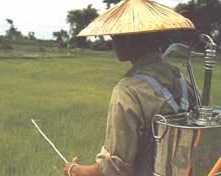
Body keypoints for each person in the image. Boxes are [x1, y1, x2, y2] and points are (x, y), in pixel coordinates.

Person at [62, 0, 196, 176]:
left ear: (130, 39)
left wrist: (75, 170)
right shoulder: (184, 80)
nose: (112, 39)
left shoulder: (127, 90)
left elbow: (114, 169)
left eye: (117, 35)